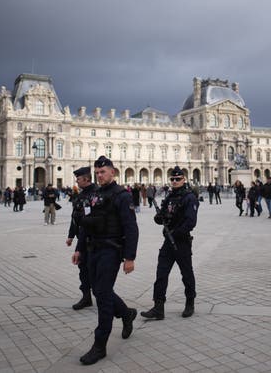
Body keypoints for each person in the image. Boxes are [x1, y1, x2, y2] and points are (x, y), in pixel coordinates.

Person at [72, 156, 139, 365]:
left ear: (113, 172)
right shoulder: (94, 195)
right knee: (101, 291)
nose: (100, 176)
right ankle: (127, 314)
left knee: (102, 297)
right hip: (93, 249)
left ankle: (99, 345)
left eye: (103, 172)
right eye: (97, 173)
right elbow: (86, 224)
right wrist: (79, 249)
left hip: (111, 251)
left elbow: (131, 228)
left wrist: (130, 257)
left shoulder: (122, 196)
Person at [141, 166, 199, 321]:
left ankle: (190, 302)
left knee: (186, 273)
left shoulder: (189, 197)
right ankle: (158, 307)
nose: (174, 181)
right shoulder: (169, 197)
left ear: (183, 179)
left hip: (181, 242)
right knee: (161, 273)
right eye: (172, 179)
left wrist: (176, 232)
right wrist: (159, 218)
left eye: (178, 179)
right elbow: (163, 216)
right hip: (168, 241)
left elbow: (191, 222)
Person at [67, 167, 96, 310]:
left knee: (93, 269)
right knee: (83, 269)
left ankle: (102, 296)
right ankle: (86, 297)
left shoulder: (95, 194)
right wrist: (71, 236)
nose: (76, 181)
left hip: (94, 238)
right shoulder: (80, 196)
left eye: (78, 179)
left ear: (86, 178)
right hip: (82, 238)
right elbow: (75, 218)